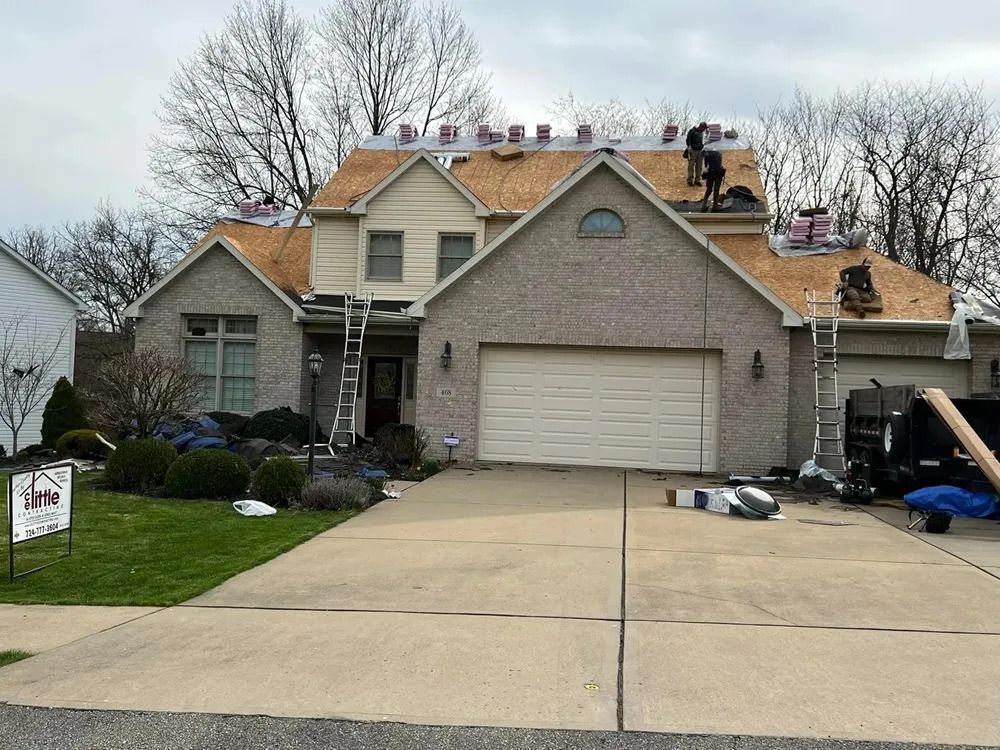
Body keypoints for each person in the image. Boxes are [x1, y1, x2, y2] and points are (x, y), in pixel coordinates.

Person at [686, 122, 708, 186]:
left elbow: (703, 141)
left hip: (700, 151)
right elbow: (688, 140)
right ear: (701, 127)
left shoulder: (702, 133)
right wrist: (689, 147)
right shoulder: (692, 131)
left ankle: (697, 180)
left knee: (699, 167)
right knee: (691, 166)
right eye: (704, 128)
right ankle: (690, 180)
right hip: (693, 151)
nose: (704, 130)